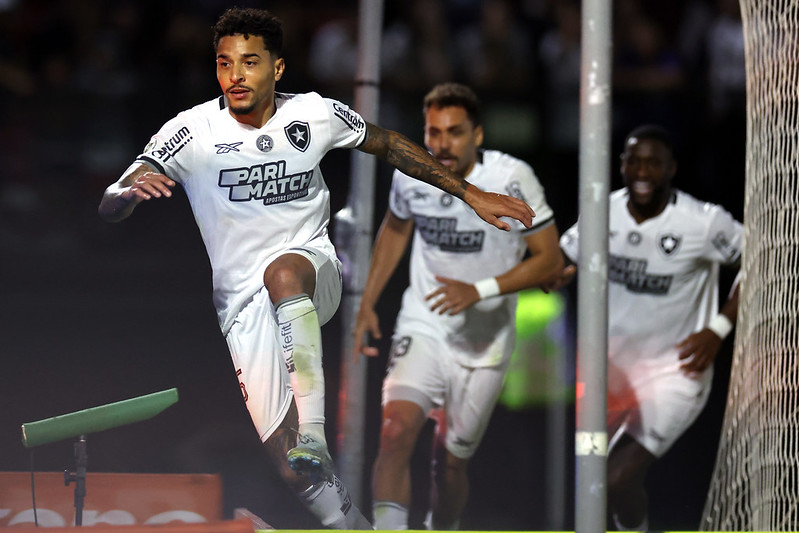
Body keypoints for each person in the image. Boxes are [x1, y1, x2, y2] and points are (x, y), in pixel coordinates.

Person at [97, 8, 534, 530]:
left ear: (277, 69)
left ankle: (315, 431)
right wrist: (126, 194)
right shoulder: (191, 131)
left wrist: (470, 193)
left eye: (250, 62)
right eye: (224, 63)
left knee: (281, 273)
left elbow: (389, 143)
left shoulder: (313, 114)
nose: (235, 75)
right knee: (292, 471)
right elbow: (115, 193)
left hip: (310, 271)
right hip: (241, 307)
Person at [353, 83, 563, 530]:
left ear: (478, 135)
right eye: (433, 132)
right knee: (394, 434)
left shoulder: (512, 177)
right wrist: (368, 301)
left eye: (453, 132)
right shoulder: (411, 172)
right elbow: (395, 228)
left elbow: (549, 259)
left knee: (449, 466)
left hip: (485, 340)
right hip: (424, 322)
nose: (441, 144)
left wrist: (479, 289)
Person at [555, 124, 743, 530]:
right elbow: (563, 258)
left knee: (611, 477)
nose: (642, 172)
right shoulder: (602, 211)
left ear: (671, 168)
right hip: (611, 373)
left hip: (675, 373)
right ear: (622, 165)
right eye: (634, 162)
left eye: (652, 164)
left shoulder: (703, 222)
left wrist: (718, 328)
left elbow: (763, 262)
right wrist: (550, 271)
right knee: (604, 482)